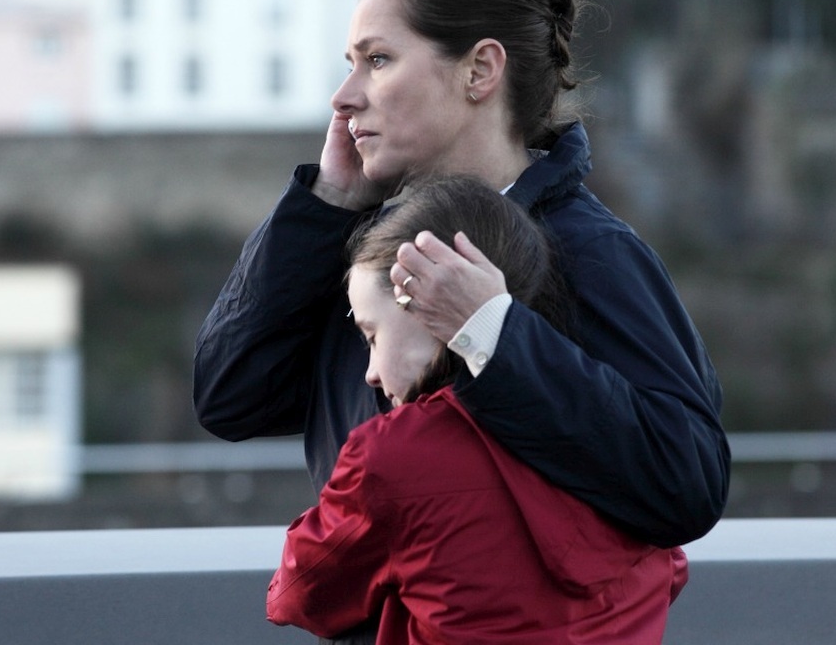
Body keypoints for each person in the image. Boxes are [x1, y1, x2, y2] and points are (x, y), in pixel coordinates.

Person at [193, 0, 728, 630]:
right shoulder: (363, 253)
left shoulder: (592, 253)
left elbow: (686, 480)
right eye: (351, 64)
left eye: (377, 60)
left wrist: (495, 336)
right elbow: (230, 397)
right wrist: (325, 205)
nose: (344, 97)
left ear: (480, 70)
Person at [266, 176, 689, 644]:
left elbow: (299, 593)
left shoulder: (391, 457)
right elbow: (668, 571)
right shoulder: (625, 457)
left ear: (422, 304)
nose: (369, 373)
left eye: (372, 337)